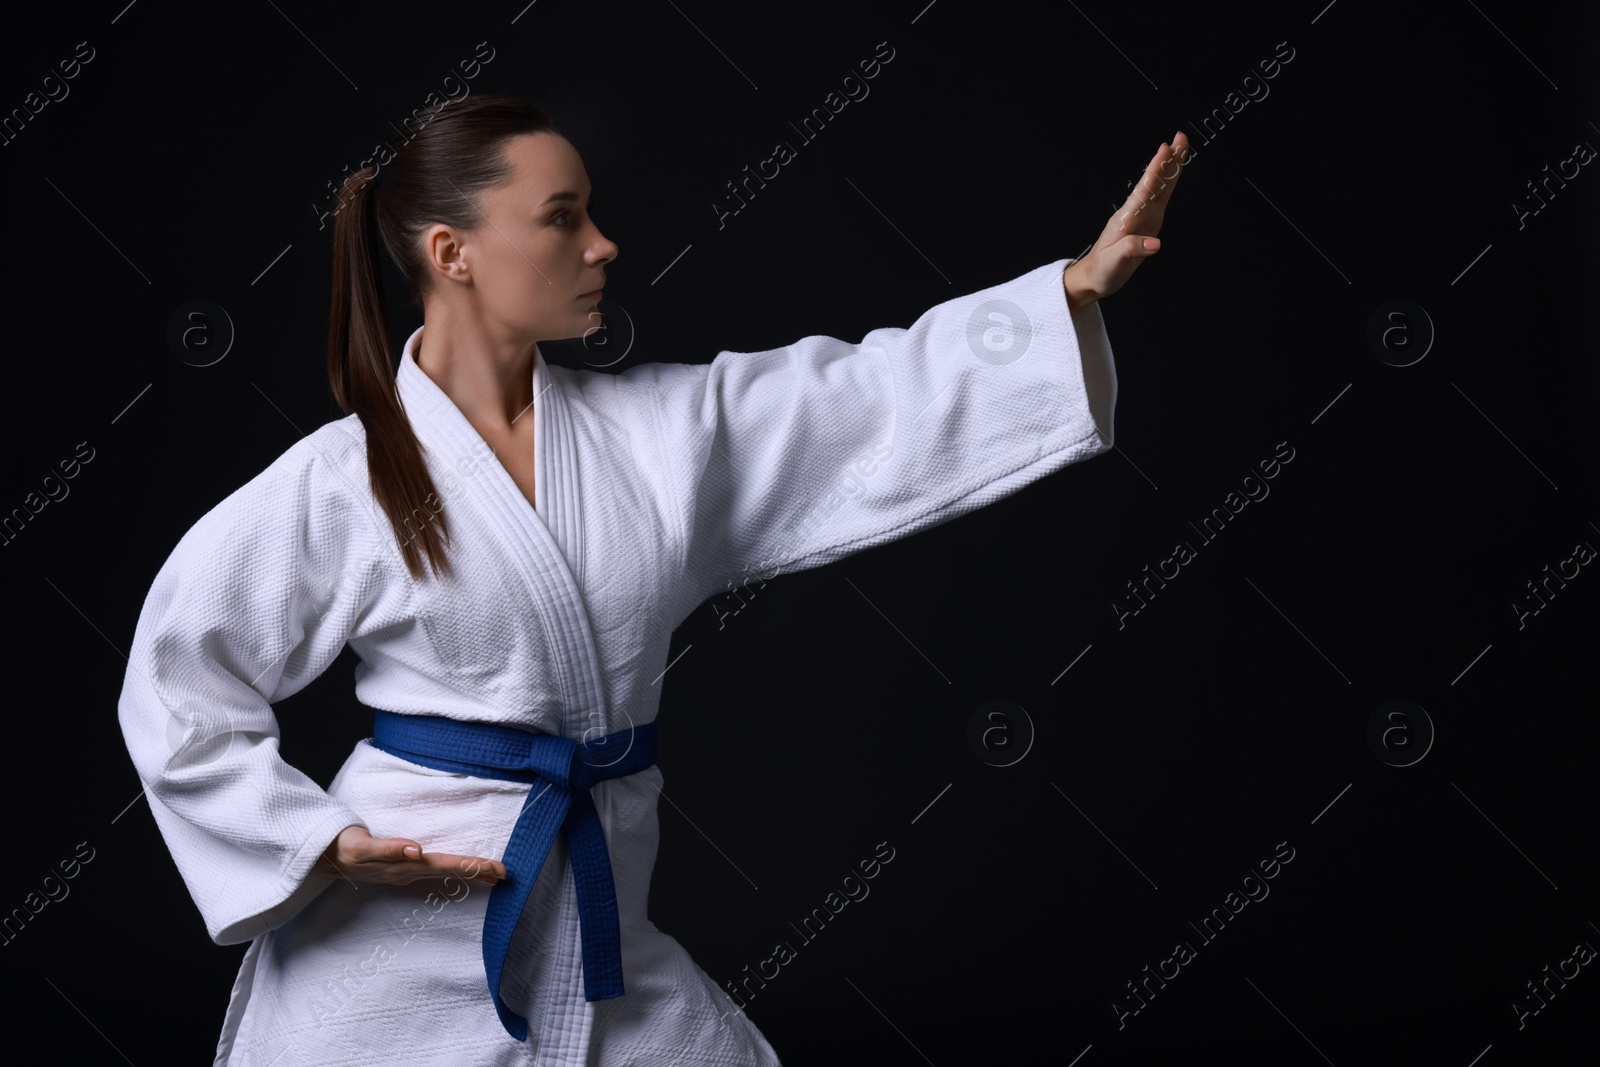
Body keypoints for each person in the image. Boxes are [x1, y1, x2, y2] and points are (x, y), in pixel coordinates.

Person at [116, 95, 1186, 1065]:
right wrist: (322, 843)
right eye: (562, 217)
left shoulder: (659, 435)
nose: (602, 244)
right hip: (396, 940)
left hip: (597, 930)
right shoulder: (342, 478)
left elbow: (855, 396)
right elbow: (177, 678)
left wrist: (1067, 297)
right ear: (455, 253)